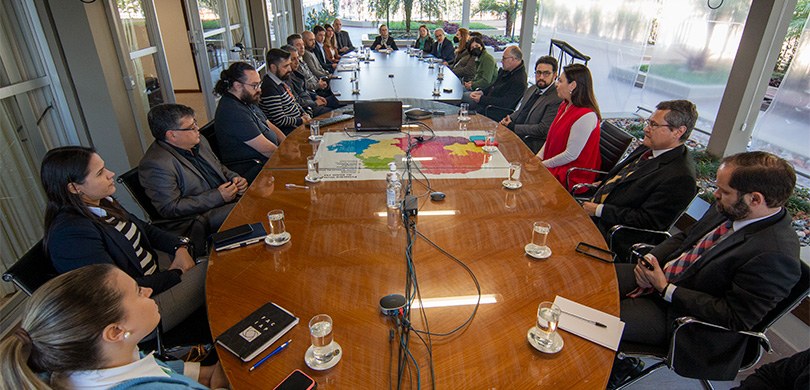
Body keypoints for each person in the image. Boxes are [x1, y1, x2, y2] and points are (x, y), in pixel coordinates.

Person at [612, 151, 800, 384]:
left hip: (684, 319)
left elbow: (734, 317)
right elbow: (685, 237)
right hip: (662, 278)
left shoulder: (776, 255)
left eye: (724, 191)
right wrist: (650, 260)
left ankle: (611, 370)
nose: (716, 194)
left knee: (597, 318)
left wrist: (665, 289)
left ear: (755, 199)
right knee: (589, 279)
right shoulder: (730, 206)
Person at [42, 146, 206, 332]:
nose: (111, 174)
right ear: (74, 188)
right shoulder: (70, 234)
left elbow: (145, 229)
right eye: (100, 173)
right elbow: (115, 290)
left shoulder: (103, 203)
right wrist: (175, 273)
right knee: (213, 271)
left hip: (154, 283)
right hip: (132, 313)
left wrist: (180, 247)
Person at [0, 264, 228, 389]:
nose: (148, 291)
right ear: (116, 331)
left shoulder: (99, 360)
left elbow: (164, 371)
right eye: (138, 291)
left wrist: (207, 375)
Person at [581, 100, 698, 259]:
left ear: (678, 131)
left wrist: (598, 210)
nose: (646, 129)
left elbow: (648, 220)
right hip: (593, 208)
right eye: (649, 122)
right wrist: (602, 185)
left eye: (654, 125)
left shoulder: (680, 177)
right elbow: (623, 176)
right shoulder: (650, 146)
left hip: (612, 233)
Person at [139, 103, 247, 242]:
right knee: (254, 209)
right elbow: (169, 207)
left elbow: (219, 167)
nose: (198, 129)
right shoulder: (156, 164)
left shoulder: (199, 141)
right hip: (200, 218)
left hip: (225, 201)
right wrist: (218, 196)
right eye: (191, 127)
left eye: (195, 123)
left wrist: (235, 178)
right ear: (172, 135)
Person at [213, 62, 286, 182]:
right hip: (255, 169)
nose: (259, 90)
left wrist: (287, 144)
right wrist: (290, 158)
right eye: (255, 85)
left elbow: (270, 126)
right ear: (237, 86)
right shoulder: (233, 112)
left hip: (268, 161)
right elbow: (267, 150)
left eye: (259, 84)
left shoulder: (246, 100)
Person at [538, 63, 601, 190]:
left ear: (573, 85)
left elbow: (571, 155)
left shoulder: (586, 116)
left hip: (571, 174)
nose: (556, 84)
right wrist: (538, 157)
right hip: (555, 164)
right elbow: (550, 137)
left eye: (560, 81)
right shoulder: (564, 105)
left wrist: (542, 165)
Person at [500, 56, 563, 153]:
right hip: (515, 133)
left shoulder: (556, 98)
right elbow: (520, 111)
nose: (541, 77)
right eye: (538, 73)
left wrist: (513, 127)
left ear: (555, 75)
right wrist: (508, 118)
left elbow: (543, 129)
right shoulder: (532, 89)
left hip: (530, 142)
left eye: (546, 73)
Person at [463, 45, 526, 121]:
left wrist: (482, 99)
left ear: (513, 59)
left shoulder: (519, 81)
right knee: (463, 100)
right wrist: (482, 92)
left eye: (504, 58)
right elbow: (493, 86)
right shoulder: (506, 70)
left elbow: (505, 103)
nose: (502, 61)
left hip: (492, 111)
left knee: (463, 101)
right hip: (487, 103)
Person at [258, 48, 311, 135]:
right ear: (273, 67)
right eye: (285, 66)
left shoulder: (281, 80)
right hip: (289, 131)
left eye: (289, 65)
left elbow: (294, 102)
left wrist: (304, 113)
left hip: (299, 124)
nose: (290, 69)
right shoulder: (270, 88)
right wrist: (301, 120)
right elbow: (280, 120)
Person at [285, 45, 333, 117]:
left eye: (298, 58)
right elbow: (297, 100)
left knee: (338, 101)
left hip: (312, 100)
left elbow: (305, 90)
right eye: (293, 59)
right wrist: (315, 103)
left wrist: (316, 96)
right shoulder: (287, 78)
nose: (297, 62)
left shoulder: (296, 73)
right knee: (335, 112)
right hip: (309, 108)